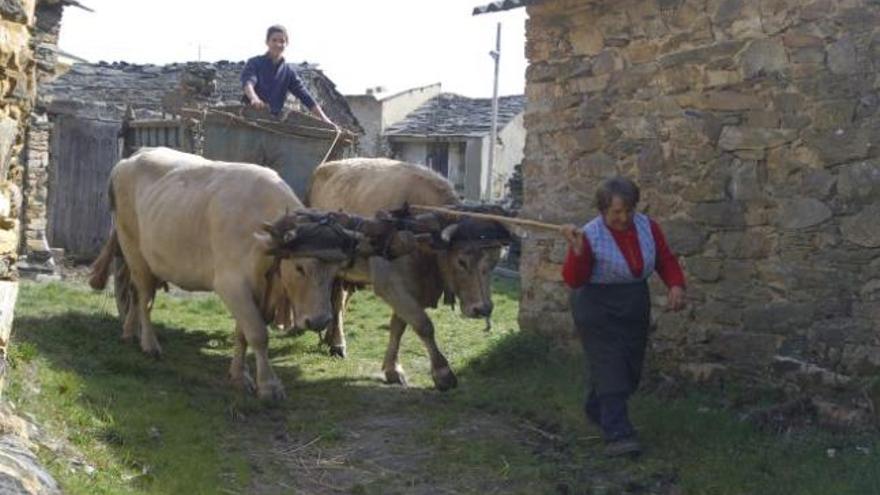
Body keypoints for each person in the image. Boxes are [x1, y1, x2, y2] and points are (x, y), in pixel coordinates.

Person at [561, 176, 686, 458]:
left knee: (630, 367)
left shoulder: (648, 227)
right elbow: (574, 279)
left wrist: (675, 285)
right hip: (596, 303)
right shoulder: (588, 235)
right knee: (610, 364)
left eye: (629, 210)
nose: (624, 218)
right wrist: (577, 252)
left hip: (633, 301)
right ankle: (618, 434)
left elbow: (665, 259)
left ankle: (597, 407)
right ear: (603, 210)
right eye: (616, 212)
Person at [241, 25, 337, 128]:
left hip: (272, 122)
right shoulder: (255, 63)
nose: (278, 44)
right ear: (267, 42)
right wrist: (254, 98)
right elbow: (248, 82)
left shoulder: (288, 72)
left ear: (286, 44)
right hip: (249, 117)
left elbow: (306, 97)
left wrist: (325, 119)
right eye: (274, 40)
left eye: (282, 41)